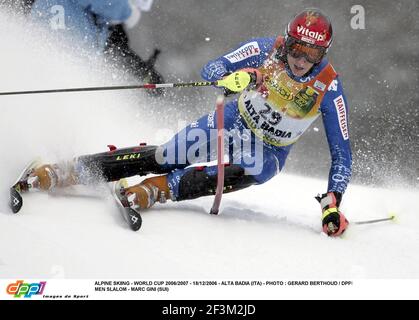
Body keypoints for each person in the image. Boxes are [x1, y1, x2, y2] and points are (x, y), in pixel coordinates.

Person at [17, 8, 352, 237]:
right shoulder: (267, 50)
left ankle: (157, 191)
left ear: (324, 54)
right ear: (287, 41)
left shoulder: (330, 87)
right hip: (233, 121)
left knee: (256, 169)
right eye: (296, 48)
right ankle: (65, 171)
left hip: (268, 148)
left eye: (312, 54)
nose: (300, 60)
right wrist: (239, 76)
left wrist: (332, 202)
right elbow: (213, 69)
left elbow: (342, 154)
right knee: (168, 155)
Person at [30, 0, 164, 94]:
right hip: (53, 44)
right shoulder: (110, 10)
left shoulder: (101, 24)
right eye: (136, 5)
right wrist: (128, 13)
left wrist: (144, 74)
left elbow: (116, 52)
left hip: (69, 73)